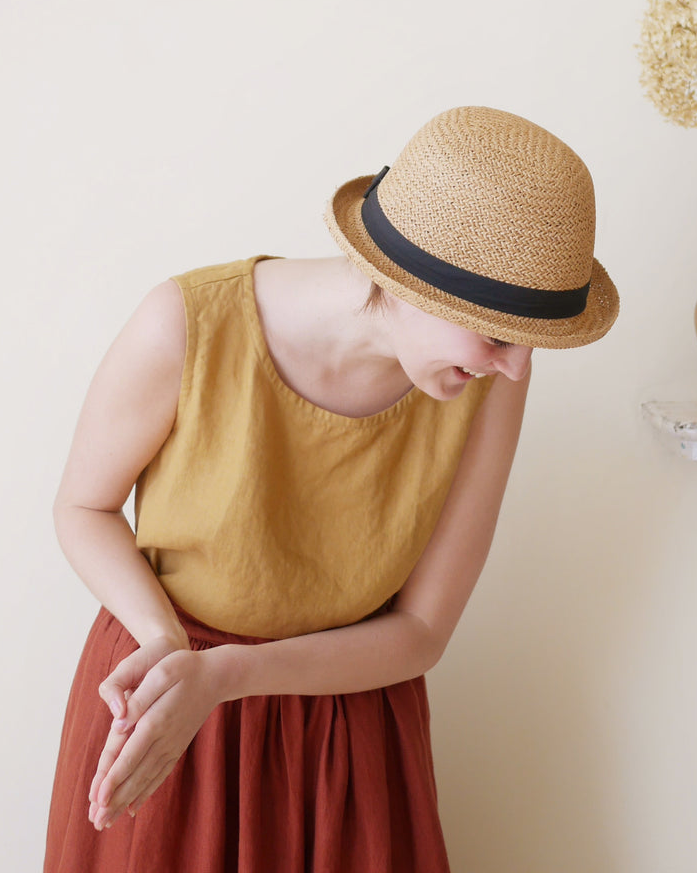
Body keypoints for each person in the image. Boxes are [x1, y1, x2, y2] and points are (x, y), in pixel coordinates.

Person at [44, 105, 619, 872]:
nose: (515, 367)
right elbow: (82, 506)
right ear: (410, 285)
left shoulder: (491, 382)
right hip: (160, 707)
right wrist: (166, 645)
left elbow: (421, 632)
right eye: (499, 336)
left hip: (344, 734)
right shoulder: (186, 325)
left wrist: (233, 676)